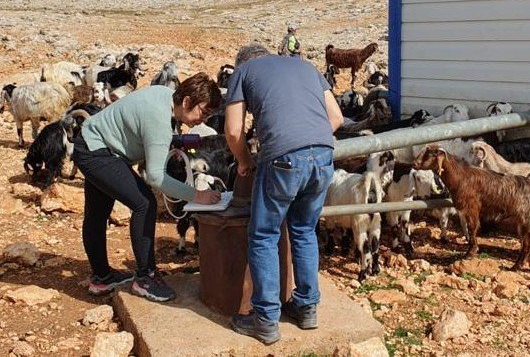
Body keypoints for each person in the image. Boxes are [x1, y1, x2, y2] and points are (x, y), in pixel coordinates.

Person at [224, 44, 343, 344]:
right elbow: (337, 118)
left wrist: (244, 161)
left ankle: (265, 319)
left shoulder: (243, 71)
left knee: (264, 234)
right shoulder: (306, 66)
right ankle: (306, 308)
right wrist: (308, 141)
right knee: (303, 231)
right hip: (324, 155)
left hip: (282, 158)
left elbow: (233, 130)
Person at [72, 73, 223, 302]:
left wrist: (174, 140)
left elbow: (146, 131)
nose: (202, 121)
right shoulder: (158, 116)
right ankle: (145, 277)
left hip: (92, 141)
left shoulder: (165, 96)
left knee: (97, 213)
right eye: (203, 112)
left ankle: (101, 278)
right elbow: (155, 177)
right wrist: (196, 195)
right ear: (186, 101)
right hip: (99, 151)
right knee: (144, 203)